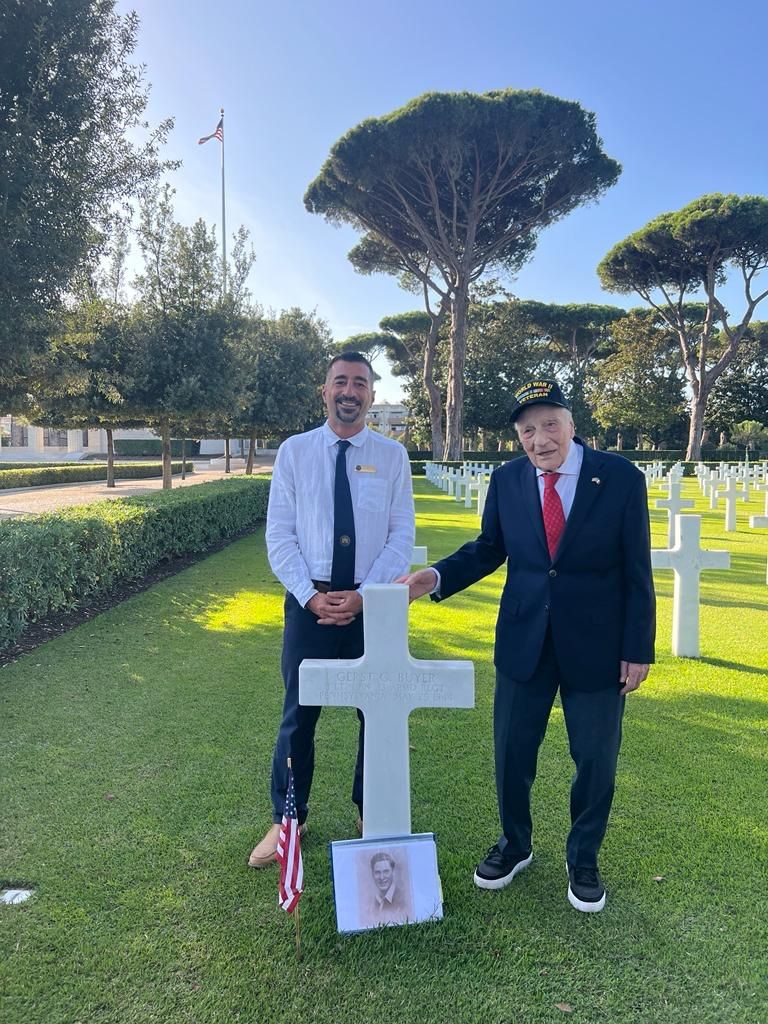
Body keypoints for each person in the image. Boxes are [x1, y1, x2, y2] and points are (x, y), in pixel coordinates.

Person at [398, 379, 655, 911]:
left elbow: (637, 570)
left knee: (595, 758)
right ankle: (515, 844)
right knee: (513, 753)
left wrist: (638, 647)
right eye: (527, 431)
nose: (540, 440)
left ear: (571, 423)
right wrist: (436, 578)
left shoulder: (622, 478)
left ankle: (583, 856)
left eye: (549, 425)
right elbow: (489, 548)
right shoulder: (508, 479)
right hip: (524, 641)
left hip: (598, 646)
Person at [248, 351, 415, 867]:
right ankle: (288, 821)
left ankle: (372, 809)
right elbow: (280, 535)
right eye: (340, 381)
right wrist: (310, 595)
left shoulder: (392, 457)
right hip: (310, 603)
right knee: (299, 715)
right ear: (324, 391)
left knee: (377, 711)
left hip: (374, 603)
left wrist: (365, 594)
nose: (349, 390)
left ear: (371, 393)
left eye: (360, 382)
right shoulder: (295, 453)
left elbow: (400, 534)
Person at [364, 851, 411, 926]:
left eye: (386, 871)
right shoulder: (371, 903)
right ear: (372, 874)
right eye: (377, 872)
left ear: (393, 872)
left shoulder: (404, 900)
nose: (382, 877)